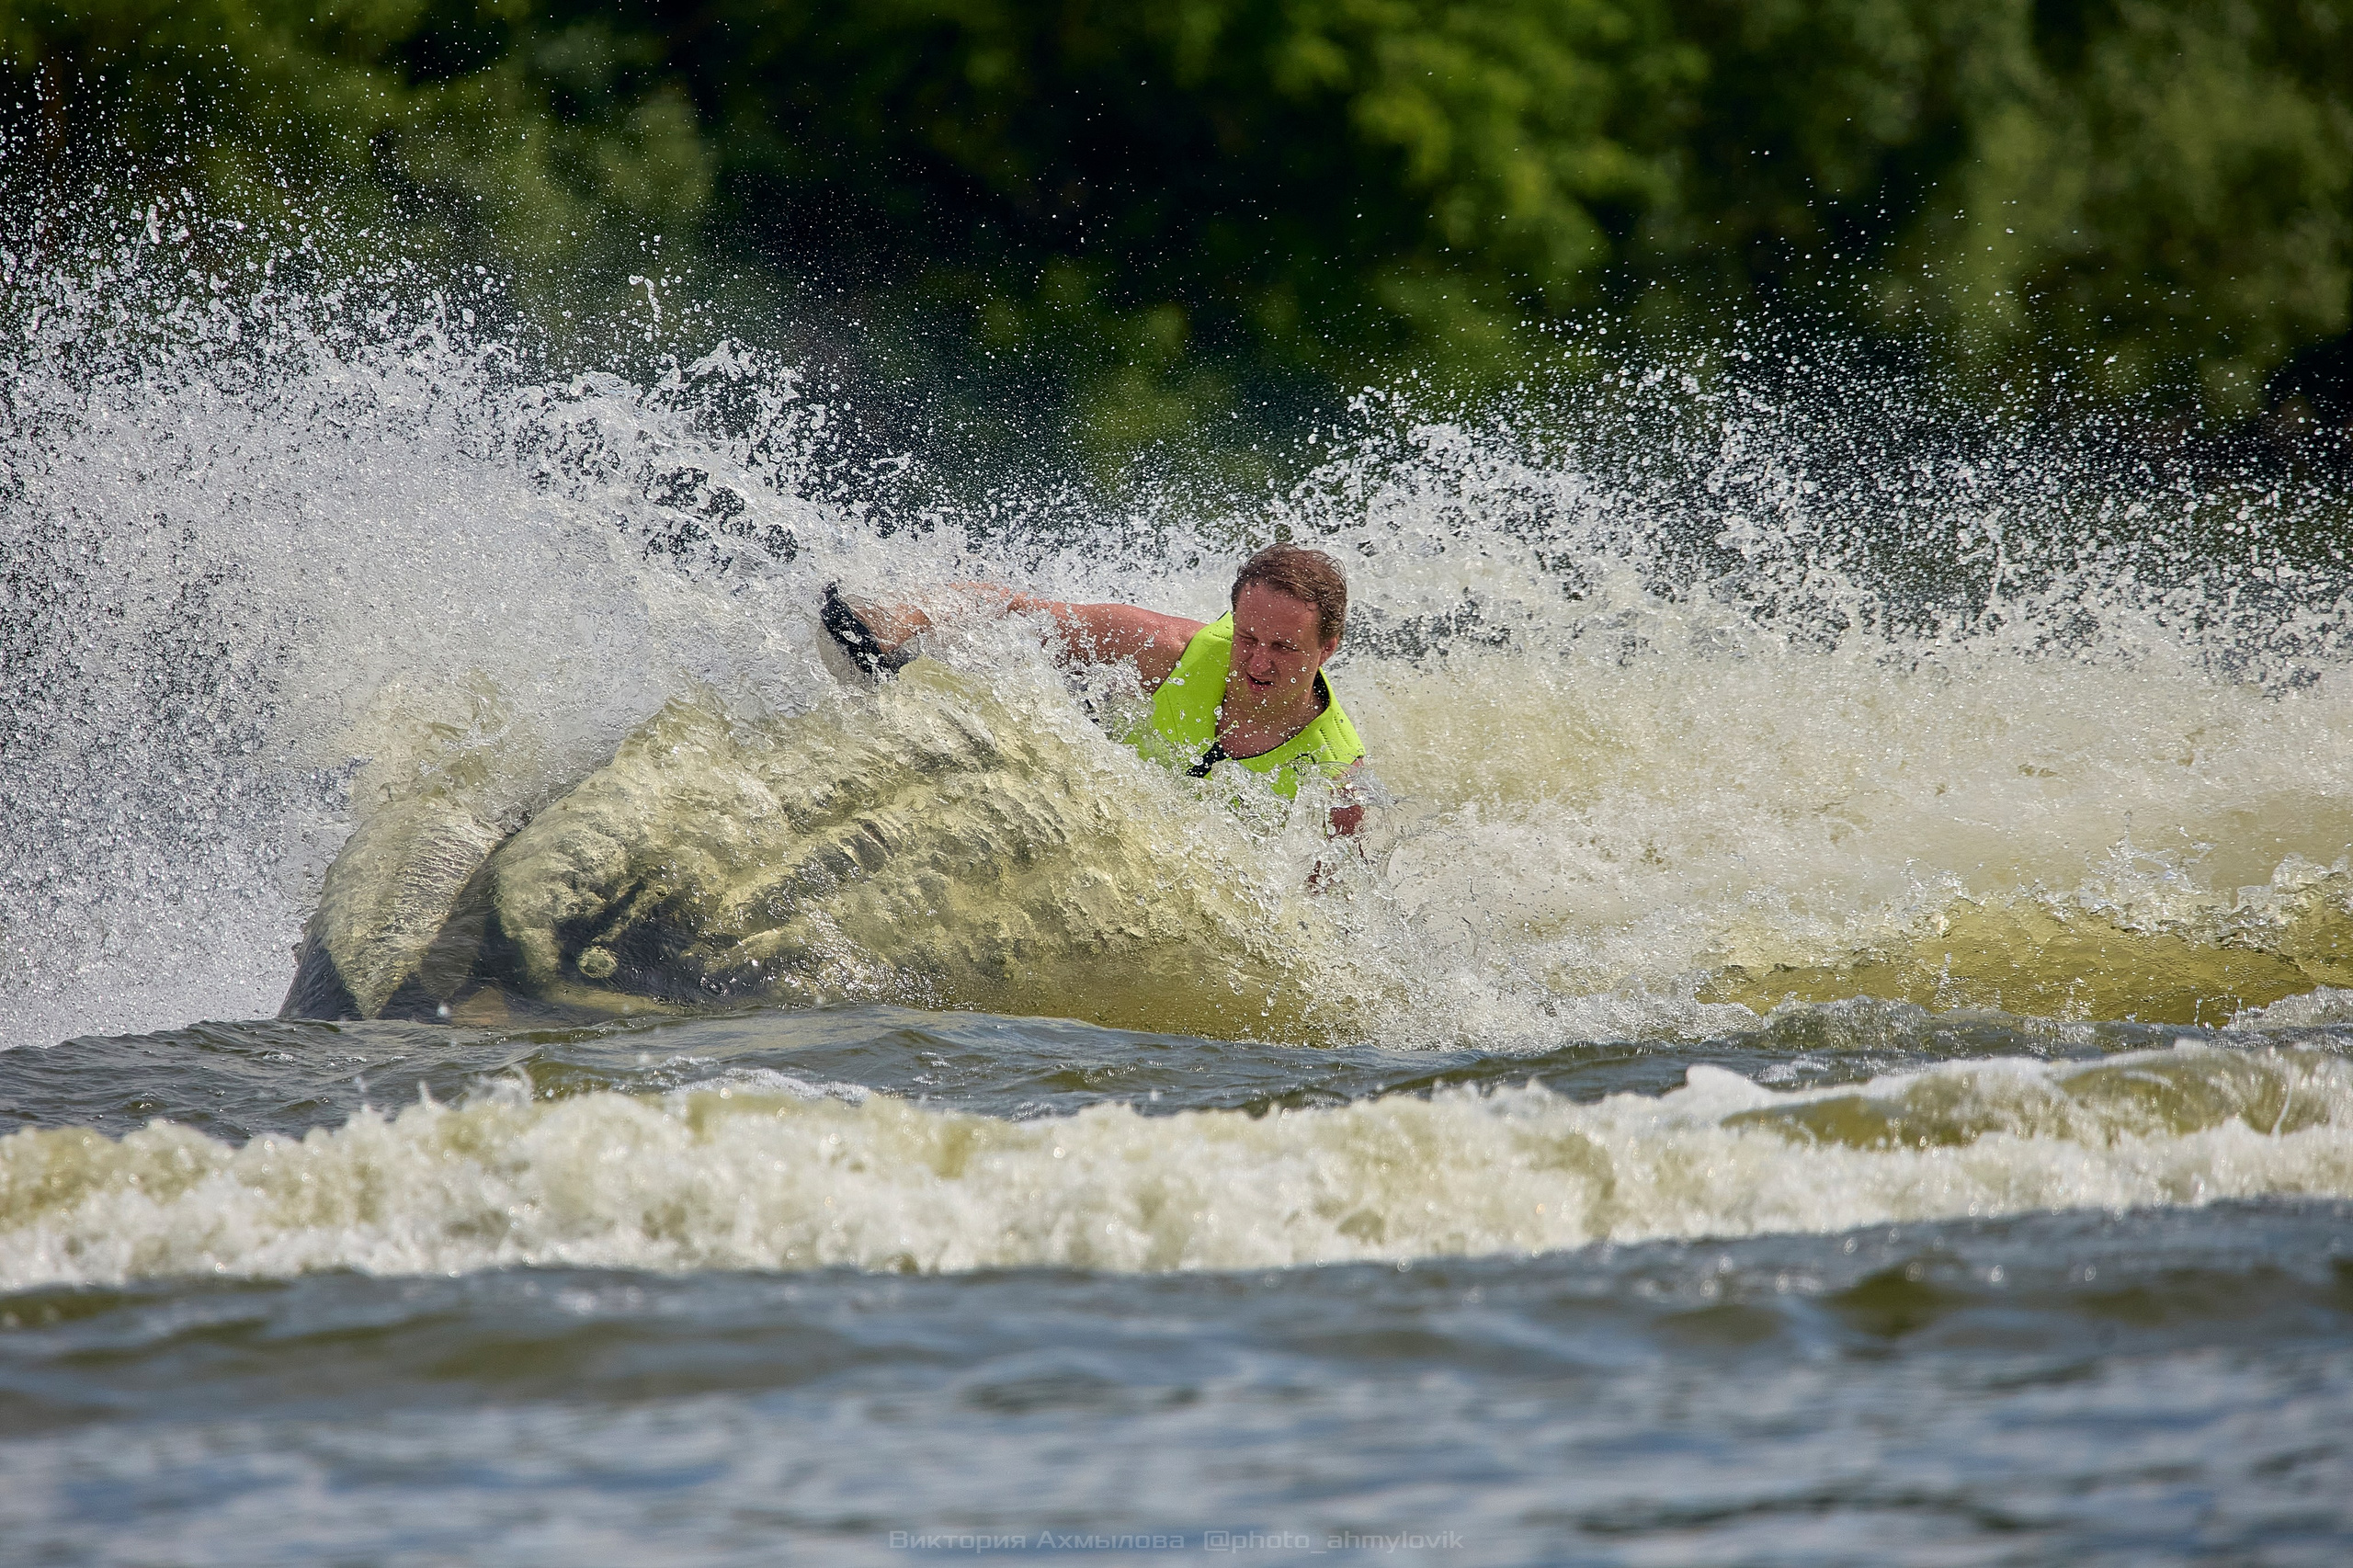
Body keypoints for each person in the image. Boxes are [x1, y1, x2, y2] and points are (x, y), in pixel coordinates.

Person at [824, 543, 1370, 835]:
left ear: (1328, 649)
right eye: (1246, 636)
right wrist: (897, 621)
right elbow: (1011, 610)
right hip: (1091, 742)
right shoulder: (1169, 648)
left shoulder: (1334, 776)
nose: (1257, 661)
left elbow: (1328, 910)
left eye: (1284, 647)